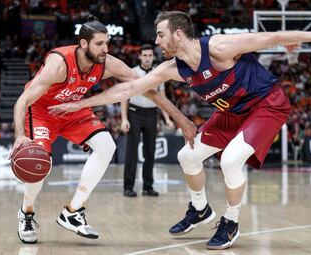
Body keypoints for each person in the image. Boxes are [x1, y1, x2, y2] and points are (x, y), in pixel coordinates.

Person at [48, 11, 311, 250]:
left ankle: (231, 222)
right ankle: (200, 209)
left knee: (230, 161)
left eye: (160, 35)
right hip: (232, 113)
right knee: (187, 156)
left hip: (267, 105)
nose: (156, 42)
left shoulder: (220, 46)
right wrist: (79, 105)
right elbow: (127, 89)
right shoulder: (172, 68)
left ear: (178, 35)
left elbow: (274, 37)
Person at [10, 15, 197, 244]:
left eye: (107, 43)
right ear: (83, 44)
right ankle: (27, 212)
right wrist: (20, 135)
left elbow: (148, 89)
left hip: (72, 110)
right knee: (39, 165)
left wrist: (181, 119)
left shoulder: (107, 63)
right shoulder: (59, 64)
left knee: (107, 145)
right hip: (41, 112)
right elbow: (23, 100)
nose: (105, 49)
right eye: (99, 44)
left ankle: (73, 211)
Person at [121, 44, 174, 197]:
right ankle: (128, 187)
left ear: (153, 57)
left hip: (152, 114)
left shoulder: (159, 74)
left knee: (150, 152)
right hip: (134, 112)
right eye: (144, 55)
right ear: (140, 57)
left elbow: (162, 98)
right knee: (131, 152)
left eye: (150, 55)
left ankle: (148, 186)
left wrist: (167, 117)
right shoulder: (133, 73)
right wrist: (124, 119)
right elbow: (124, 95)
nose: (147, 58)